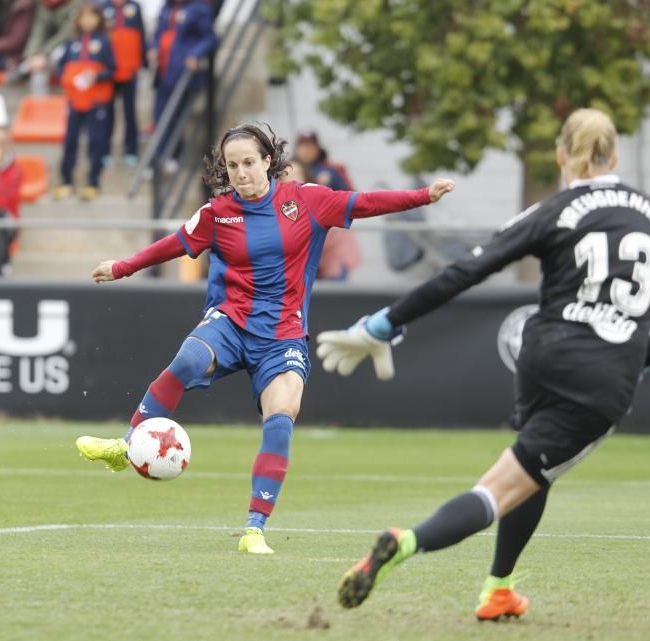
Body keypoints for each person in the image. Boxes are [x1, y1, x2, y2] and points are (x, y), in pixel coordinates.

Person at [318, 108, 650, 620]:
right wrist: (640, 360)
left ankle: (499, 590)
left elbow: (468, 270)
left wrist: (385, 322)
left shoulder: (555, 209)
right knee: (500, 490)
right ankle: (405, 542)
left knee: (533, 466)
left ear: (562, 155)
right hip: (601, 379)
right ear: (617, 155)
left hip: (541, 355)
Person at [74, 123, 454, 554]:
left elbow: (364, 203)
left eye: (249, 163)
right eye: (232, 165)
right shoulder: (218, 213)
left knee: (281, 417)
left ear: (268, 161)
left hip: (283, 337)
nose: (241, 173)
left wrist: (423, 195)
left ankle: (254, 528)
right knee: (185, 361)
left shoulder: (306, 200)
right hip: (231, 323)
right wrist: (123, 267)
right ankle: (127, 447)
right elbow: (173, 245)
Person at [52, 2, 114, 201]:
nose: (87, 20)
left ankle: (92, 181)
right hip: (75, 101)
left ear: (99, 19)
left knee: (95, 142)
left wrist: (96, 75)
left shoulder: (104, 42)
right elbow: (61, 67)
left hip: (96, 102)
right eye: (84, 16)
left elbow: (112, 69)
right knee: (70, 140)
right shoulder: (72, 43)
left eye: (92, 16)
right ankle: (66, 180)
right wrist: (69, 77)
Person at [149, 0, 216, 173]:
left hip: (182, 71)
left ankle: (173, 155)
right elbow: (158, 33)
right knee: (159, 115)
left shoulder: (199, 9)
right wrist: (153, 47)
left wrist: (195, 54)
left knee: (175, 115)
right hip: (163, 70)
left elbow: (209, 37)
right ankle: (159, 156)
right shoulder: (166, 8)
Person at [99, 0, 145, 166]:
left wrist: (142, 62)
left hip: (129, 71)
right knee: (106, 115)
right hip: (108, 72)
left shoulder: (134, 7)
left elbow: (141, 35)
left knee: (130, 113)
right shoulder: (102, 7)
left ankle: (131, 150)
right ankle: (104, 151)